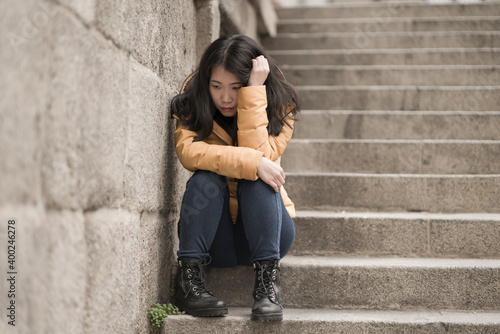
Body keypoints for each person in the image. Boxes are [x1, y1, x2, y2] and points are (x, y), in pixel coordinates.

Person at [170, 34, 300, 321]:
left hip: (268, 231)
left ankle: (268, 287)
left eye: (236, 87)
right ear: (206, 82)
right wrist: (253, 163)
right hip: (216, 238)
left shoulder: (281, 106)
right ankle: (189, 282)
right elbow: (189, 154)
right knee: (206, 178)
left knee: (258, 178)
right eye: (216, 86)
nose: (226, 97)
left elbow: (261, 154)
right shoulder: (191, 101)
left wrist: (254, 94)